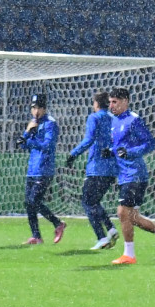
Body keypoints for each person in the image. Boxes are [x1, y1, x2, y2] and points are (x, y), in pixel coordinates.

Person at [107, 86, 155, 264]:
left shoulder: (134, 120)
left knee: (123, 212)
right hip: (123, 174)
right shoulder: (114, 121)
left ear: (125, 101)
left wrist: (129, 152)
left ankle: (129, 255)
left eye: (114, 102)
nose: (111, 106)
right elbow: (120, 147)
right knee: (133, 217)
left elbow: (150, 144)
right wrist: (110, 152)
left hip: (135, 174)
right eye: (110, 102)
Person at [64, 90, 119, 250]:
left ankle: (102, 237)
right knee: (94, 202)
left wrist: (73, 154)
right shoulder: (114, 118)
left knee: (87, 202)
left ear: (96, 103)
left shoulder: (94, 118)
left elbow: (89, 139)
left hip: (97, 168)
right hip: (111, 169)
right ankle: (110, 228)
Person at [17, 92, 64, 245]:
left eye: (39, 108)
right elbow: (22, 144)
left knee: (34, 201)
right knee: (28, 203)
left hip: (44, 169)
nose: (36, 111)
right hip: (32, 168)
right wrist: (26, 132)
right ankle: (36, 236)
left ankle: (57, 223)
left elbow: (48, 146)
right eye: (33, 108)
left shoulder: (50, 124)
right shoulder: (33, 123)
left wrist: (31, 140)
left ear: (44, 108)